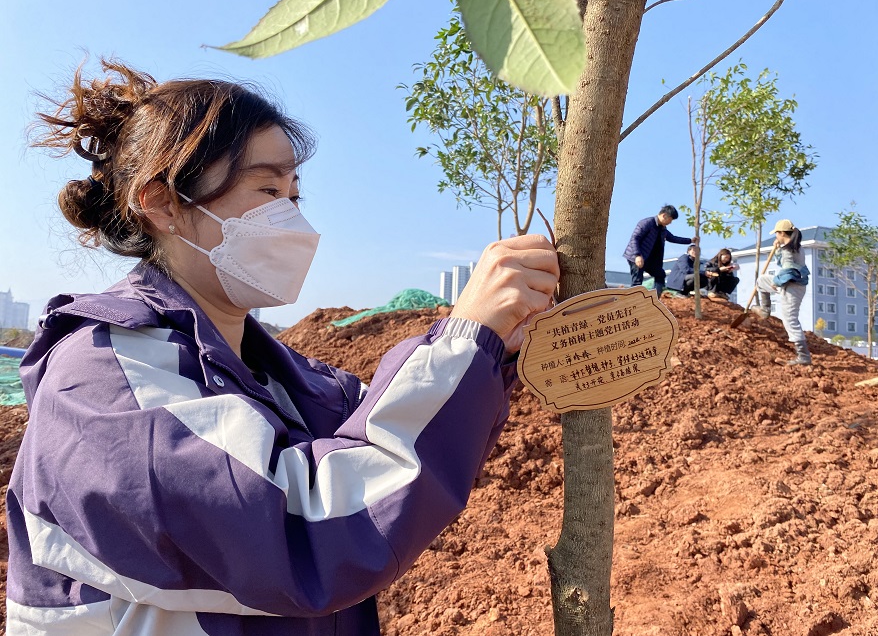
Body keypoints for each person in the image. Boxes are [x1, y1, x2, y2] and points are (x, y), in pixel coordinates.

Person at [6, 60, 560, 635]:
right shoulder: (105, 375)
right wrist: (464, 340)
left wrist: (493, 351)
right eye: (268, 190)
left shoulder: (286, 378)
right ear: (165, 204)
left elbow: (405, 451)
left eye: (294, 196)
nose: (293, 221)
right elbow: (308, 530)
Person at [751, 219, 811, 365]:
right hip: (789, 284)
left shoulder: (789, 250)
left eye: (777, 233)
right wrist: (777, 250)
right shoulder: (795, 248)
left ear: (782, 233)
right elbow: (784, 264)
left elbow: (789, 270)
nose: (776, 236)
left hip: (792, 287)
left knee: (790, 319)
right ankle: (765, 310)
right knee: (762, 280)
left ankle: (803, 356)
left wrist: (777, 281)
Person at [623, 205, 698, 297]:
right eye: (670, 219)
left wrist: (690, 240)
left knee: (660, 275)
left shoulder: (662, 229)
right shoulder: (646, 223)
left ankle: (655, 298)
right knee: (637, 281)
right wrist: (637, 255)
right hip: (637, 257)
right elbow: (635, 238)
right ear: (664, 215)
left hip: (649, 260)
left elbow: (673, 238)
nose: (670, 222)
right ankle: (632, 301)